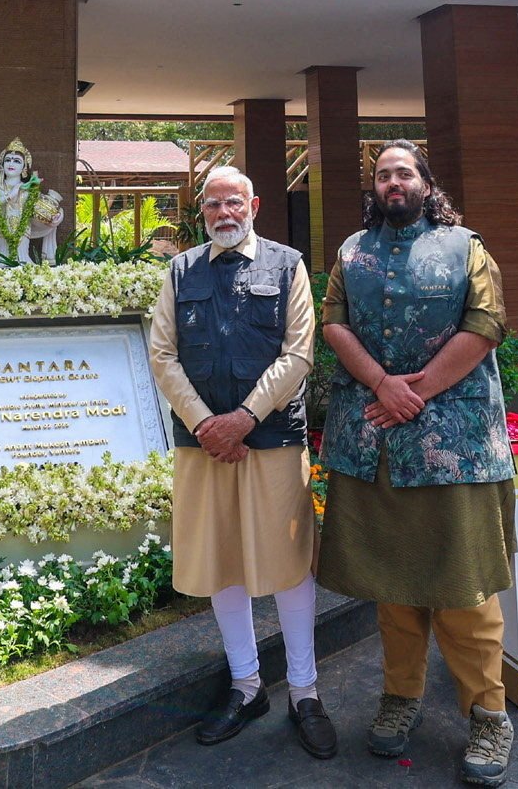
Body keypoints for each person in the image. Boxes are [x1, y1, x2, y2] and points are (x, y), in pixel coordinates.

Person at [318, 142, 517, 787]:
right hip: (374, 440)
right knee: (394, 589)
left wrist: (417, 390)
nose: (393, 181)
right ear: (373, 188)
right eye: (383, 174)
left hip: (453, 446)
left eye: (404, 172)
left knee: (464, 587)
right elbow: (334, 324)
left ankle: (488, 714)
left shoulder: (466, 246)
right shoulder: (352, 251)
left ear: (426, 183)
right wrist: (383, 384)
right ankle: (400, 696)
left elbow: (487, 323)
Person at [145, 165, 337, 759]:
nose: (224, 214)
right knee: (223, 558)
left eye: (234, 203)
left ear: (254, 204)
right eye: (212, 206)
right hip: (202, 444)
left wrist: (244, 419)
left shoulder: (288, 265)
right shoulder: (180, 271)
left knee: (288, 565)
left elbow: (299, 352)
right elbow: (161, 353)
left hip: (273, 438)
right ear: (200, 212)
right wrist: (206, 424)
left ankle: (304, 692)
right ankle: (247, 684)